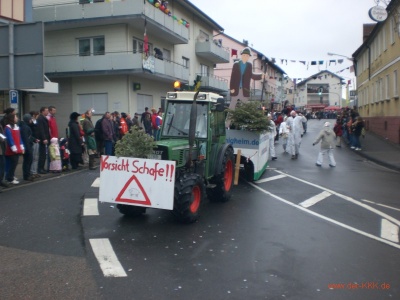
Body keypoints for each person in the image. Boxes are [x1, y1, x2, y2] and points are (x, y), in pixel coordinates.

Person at [4, 114, 24, 184]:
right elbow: (10, 139)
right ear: (12, 118)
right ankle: (10, 178)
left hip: (17, 148)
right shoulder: (8, 127)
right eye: (16, 117)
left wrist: (22, 146)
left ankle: (10, 176)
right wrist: (13, 148)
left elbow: (19, 138)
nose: (17, 118)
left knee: (14, 163)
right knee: (13, 164)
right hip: (11, 149)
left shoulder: (16, 127)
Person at [19, 114, 35, 181]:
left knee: (28, 161)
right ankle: (26, 175)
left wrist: (34, 139)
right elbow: (26, 138)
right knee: (28, 161)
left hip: (27, 146)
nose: (32, 120)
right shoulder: (25, 127)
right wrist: (28, 148)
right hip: (27, 147)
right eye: (31, 119)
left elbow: (29, 136)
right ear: (28, 120)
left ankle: (27, 174)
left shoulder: (24, 126)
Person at [36, 106, 50, 174]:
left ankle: (42, 168)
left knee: (44, 154)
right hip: (42, 139)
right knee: (42, 154)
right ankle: (40, 168)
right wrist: (44, 138)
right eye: (46, 111)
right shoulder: (40, 119)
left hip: (45, 138)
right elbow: (41, 129)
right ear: (42, 111)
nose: (47, 112)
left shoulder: (44, 118)